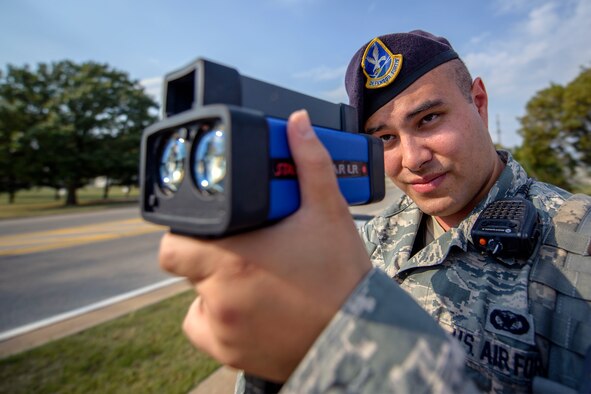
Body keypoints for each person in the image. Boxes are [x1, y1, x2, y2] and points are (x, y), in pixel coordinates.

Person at [159, 30, 591, 393]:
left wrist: (336, 347)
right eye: (384, 137)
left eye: (429, 120)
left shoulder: (581, 245)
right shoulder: (368, 237)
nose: (412, 158)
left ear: (478, 102)